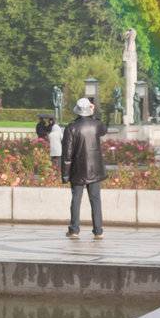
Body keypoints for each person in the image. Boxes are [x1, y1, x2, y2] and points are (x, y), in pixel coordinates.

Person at [63, 97, 107, 239]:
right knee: (95, 200)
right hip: (95, 169)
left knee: (76, 199)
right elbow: (104, 129)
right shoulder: (96, 125)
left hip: (78, 169)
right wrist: (94, 114)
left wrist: (65, 174)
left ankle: (74, 229)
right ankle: (98, 230)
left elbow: (67, 154)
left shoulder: (71, 127)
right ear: (89, 109)